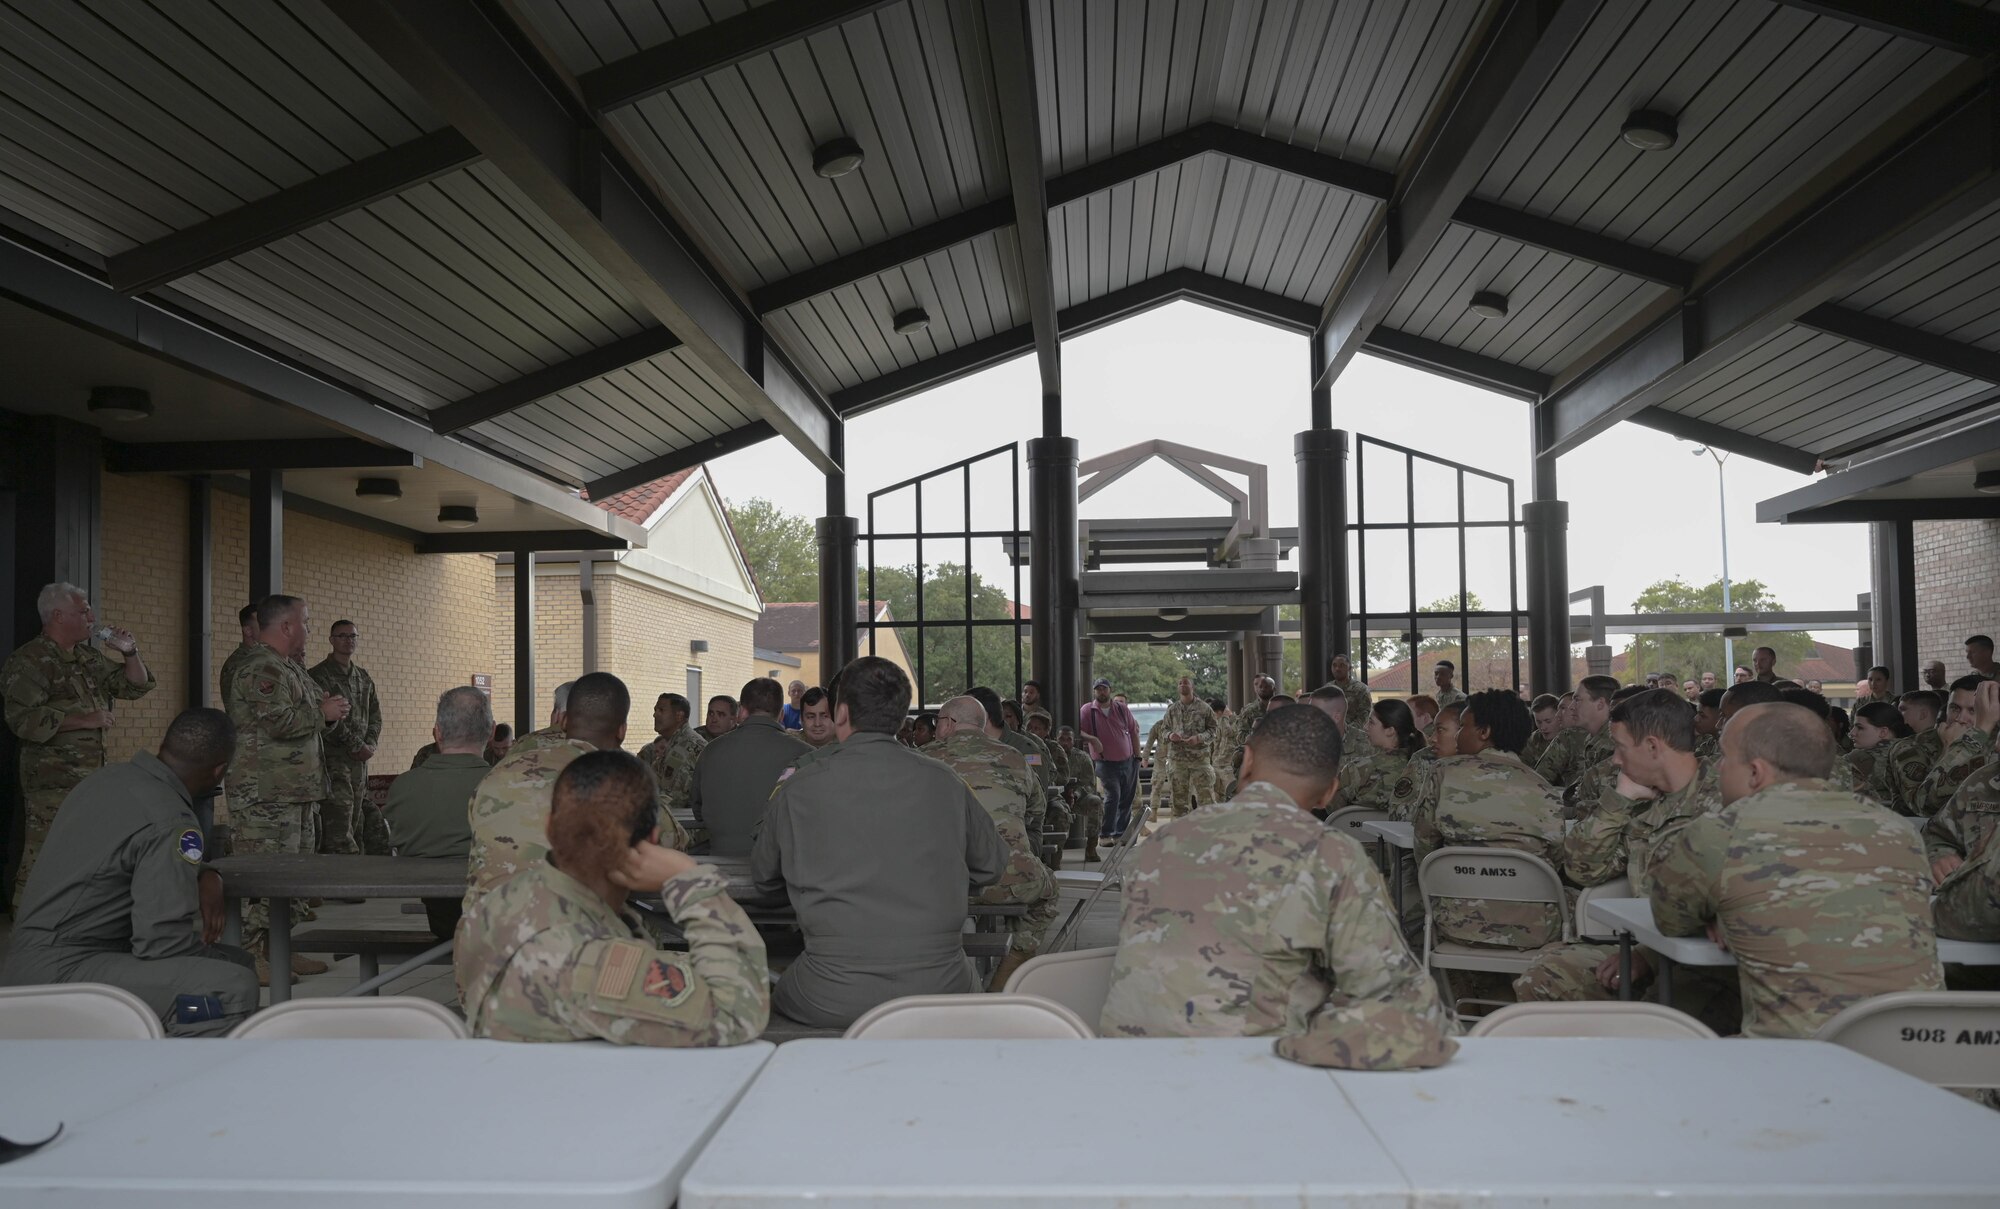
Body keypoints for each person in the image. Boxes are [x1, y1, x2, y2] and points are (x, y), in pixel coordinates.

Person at [1098, 704, 1457, 1068]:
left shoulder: (1159, 845)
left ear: (1247, 759)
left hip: (1129, 1077)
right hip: (1252, 1082)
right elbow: (1419, 1023)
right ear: (1329, 792)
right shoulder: (1329, 855)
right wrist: (1299, 1039)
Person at [1648, 702, 1942, 1039]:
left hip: (1796, 1066)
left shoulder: (1721, 834)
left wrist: (1720, 909)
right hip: (1921, 1062)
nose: (1717, 768)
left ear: (1755, 773)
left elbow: (1669, 919)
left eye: (1725, 758)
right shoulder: (1898, 830)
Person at [751, 656, 1008, 1027]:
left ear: (840, 713)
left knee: (769, 995)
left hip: (830, 992)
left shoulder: (800, 787)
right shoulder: (945, 781)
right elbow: (992, 865)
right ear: (902, 717)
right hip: (942, 988)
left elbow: (763, 876)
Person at [458, 750, 768, 1046]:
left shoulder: (502, 902)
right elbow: (738, 1012)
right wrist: (690, 882)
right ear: (651, 841)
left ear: (550, 828)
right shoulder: (586, 960)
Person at [0, 708, 257, 1035]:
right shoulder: (173, 822)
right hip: (64, 972)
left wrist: (205, 872)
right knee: (228, 989)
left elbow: (123, 855)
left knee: (236, 963)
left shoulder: (106, 780)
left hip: (30, 962)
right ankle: (169, 1074)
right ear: (219, 771)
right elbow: (161, 943)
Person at [1515, 689, 1727, 1012]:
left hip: (1709, 965)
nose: (1614, 759)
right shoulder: (1640, 800)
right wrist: (1618, 802)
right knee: (1544, 975)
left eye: (1620, 748)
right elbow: (1582, 869)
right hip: (1646, 948)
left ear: (1653, 747)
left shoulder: (1725, 800)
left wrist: (1649, 957)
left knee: (1661, 1029)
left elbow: (1730, 905)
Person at [460, 672, 655, 935]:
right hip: (571, 947)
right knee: (643, 929)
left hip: (483, 945)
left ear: (563, 721)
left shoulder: (502, 771)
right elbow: (666, 841)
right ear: (621, 730)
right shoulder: (620, 779)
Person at [3, 581, 155, 912]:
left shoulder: (86, 657)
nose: (92, 616)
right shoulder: (31, 660)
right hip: (52, 780)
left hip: (90, 777)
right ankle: (27, 922)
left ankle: (73, 919)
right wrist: (83, 720)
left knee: (85, 850)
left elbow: (133, 685)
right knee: (43, 851)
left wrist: (129, 651)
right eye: (83, 610)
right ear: (57, 615)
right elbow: (21, 719)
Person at [225, 594, 345, 982]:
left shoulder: (289, 667)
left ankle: (277, 949)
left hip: (295, 791)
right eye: (306, 621)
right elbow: (276, 722)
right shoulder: (260, 667)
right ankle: (249, 954)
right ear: (287, 627)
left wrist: (328, 713)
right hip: (266, 795)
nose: (310, 629)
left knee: (295, 878)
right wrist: (321, 713)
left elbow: (305, 718)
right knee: (263, 877)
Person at [1409, 689, 1566, 966]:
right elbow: (1556, 861)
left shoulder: (1443, 773)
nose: (1457, 735)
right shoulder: (1545, 789)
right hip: (1533, 930)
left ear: (1484, 732)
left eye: (1464, 727)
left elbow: (1424, 846)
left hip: (1455, 922)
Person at [932, 696, 1059, 988]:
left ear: (949, 724)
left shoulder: (923, 758)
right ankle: (1004, 980)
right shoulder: (1014, 757)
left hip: (938, 884)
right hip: (1008, 880)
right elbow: (1037, 811)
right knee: (1047, 894)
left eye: (938, 721)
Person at [383, 687, 492, 940]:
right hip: (496, 918)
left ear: (438, 732)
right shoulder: (509, 784)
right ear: (492, 730)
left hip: (439, 914)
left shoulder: (403, 787)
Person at [690, 677, 810, 858]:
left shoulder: (711, 751)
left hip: (721, 860)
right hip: (782, 868)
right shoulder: (806, 754)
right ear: (781, 715)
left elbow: (698, 810)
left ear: (742, 712)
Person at [307, 619, 385, 856]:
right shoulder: (318, 676)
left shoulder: (362, 677)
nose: (348, 640)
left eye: (353, 636)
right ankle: (339, 882)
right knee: (337, 821)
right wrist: (355, 744)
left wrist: (369, 744)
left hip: (359, 763)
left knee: (355, 820)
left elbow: (374, 714)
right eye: (342, 636)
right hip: (334, 761)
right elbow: (327, 719)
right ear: (331, 640)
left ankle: (351, 876)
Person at [1079, 677, 1141, 843]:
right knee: (1113, 795)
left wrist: (1138, 756)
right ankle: (1105, 834)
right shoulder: (1087, 710)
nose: (1101, 691)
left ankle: (1120, 834)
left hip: (1128, 760)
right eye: (1098, 689)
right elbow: (1079, 731)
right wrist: (1093, 739)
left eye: (1104, 688)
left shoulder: (1121, 708)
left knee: (1127, 798)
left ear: (1110, 690)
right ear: (1094, 691)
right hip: (1105, 763)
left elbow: (1133, 731)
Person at [1534, 674, 1618, 790]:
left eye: (1577, 700)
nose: (1572, 707)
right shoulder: (1594, 738)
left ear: (1600, 704)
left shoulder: (1614, 741)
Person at [636, 692, 705, 822]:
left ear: (679, 716)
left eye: (661, 710)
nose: (655, 714)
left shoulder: (685, 747)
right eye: (655, 710)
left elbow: (671, 799)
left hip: (688, 826)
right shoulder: (674, 743)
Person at [1159, 676, 1218, 816]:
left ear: (1193, 687)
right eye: (1180, 683)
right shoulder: (1172, 710)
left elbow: (1213, 730)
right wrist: (1170, 735)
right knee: (1179, 802)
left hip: (1199, 761)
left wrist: (1199, 738)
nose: (1182, 685)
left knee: (1206, 799)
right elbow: (1163, 730)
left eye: (1186, 683)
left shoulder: (1205, 708)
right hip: (1178, 761)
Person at [1055, 725, 1104, 861]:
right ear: (1055, 739)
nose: (1064, 743)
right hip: (1054, 797)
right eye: (1061, 739)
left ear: (1073, 741)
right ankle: (1054, 854)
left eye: (1068, 739)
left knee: (1096, 802)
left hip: (1077, 797)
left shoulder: (1082, 758)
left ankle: (1091, 849)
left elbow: (1089, 784)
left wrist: (1075, 794)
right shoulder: (1049, 755)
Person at [1845, 699, 1912, 788]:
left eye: (1860, 728)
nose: (1852, 733)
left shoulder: (1859, 758)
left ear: (1883, 732)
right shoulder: (1914, 751)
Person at [1228, 674, 1278, 781]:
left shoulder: (1283, 707)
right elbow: (1240, 736)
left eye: (1266, 686)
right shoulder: (1249, 711)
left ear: (1274, 688)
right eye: (1259, 686)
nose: (1262, 688)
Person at [1328, 653, 1372, 731]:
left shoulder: (1361, 689)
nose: (1337, 668)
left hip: (1353, 735)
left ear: (1349, 668)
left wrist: (1347, 730)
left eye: (1342, 665)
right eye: (1334, 665)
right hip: (1331, 732)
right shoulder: (1327, 688)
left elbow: (1364, 715)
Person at [1693, 687, 1725, 761]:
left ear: (1721, 716)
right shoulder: (1710, 743)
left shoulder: (1729, 748)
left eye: (1702, 715)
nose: (1696, 719)